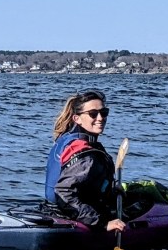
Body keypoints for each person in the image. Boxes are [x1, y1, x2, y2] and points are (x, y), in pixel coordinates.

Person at [45, 90, 125, 233]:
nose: (100, 118)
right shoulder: (84, 153)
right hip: (70, 216)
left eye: (104, 112)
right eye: (93, 114)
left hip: (53, 209)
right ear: (77, 119)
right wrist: (101, 224)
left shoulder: (67, 139)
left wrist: (110, 191)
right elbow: (63, 192)